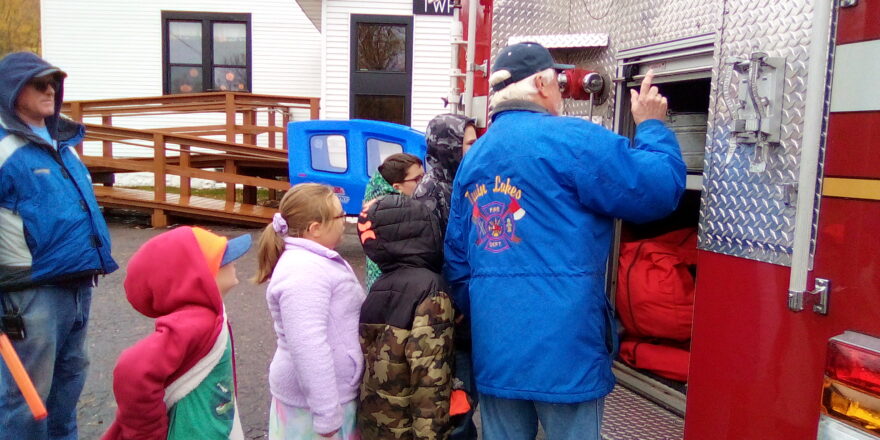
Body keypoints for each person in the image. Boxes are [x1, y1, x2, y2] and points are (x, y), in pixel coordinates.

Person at [444, 42, 686, 440]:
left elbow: (457, 261)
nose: (560, 93)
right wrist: (652, 126)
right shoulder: (575, 139)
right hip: (567, 351)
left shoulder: (475, 156)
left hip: (497, 349)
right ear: (540, 82)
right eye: (557, 83)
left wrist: (497, 309)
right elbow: (658, 190)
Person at [0, 52, 119, 440]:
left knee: (67, 390)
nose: (50, 89)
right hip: (28, 294)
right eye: (39, 82)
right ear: (12, 89)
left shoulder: (62, 144)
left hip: (77, 284)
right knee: (25, 401)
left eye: (53, 81)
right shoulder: (4, 147)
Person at [102, 226, 252, 440]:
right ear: (193, 278)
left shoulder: (210, 315)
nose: (234, 262)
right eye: (223, 259)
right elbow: (132, 370)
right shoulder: (197, 322)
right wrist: (148, 435)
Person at [255, 183, 365, 439]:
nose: (346, 222)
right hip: (316, 409)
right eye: (340, 216)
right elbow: (308, 346)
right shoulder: (304, 272)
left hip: (329, 397)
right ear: (314, 228)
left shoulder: (316, 261)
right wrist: (326, 414)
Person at [356, 194, 455, 440]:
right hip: (410, 428)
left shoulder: (379, 285)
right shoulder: (430, 288)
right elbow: (430, 378)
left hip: (377, 422)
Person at [412, 114, 479, 440]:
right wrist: (452, 304)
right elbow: (426, 260)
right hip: (449, 317)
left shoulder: (463, 183)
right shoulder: (430, 192)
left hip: (467, 309)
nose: (475, 147)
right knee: (456, 401)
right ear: (448, 147)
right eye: (468, 142)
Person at [362, 152, 425, 289]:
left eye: (424, 176)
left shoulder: (375, 204)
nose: (423, 183)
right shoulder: (393, 214)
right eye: (417, 179)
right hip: (394, 289)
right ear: (397, 187)